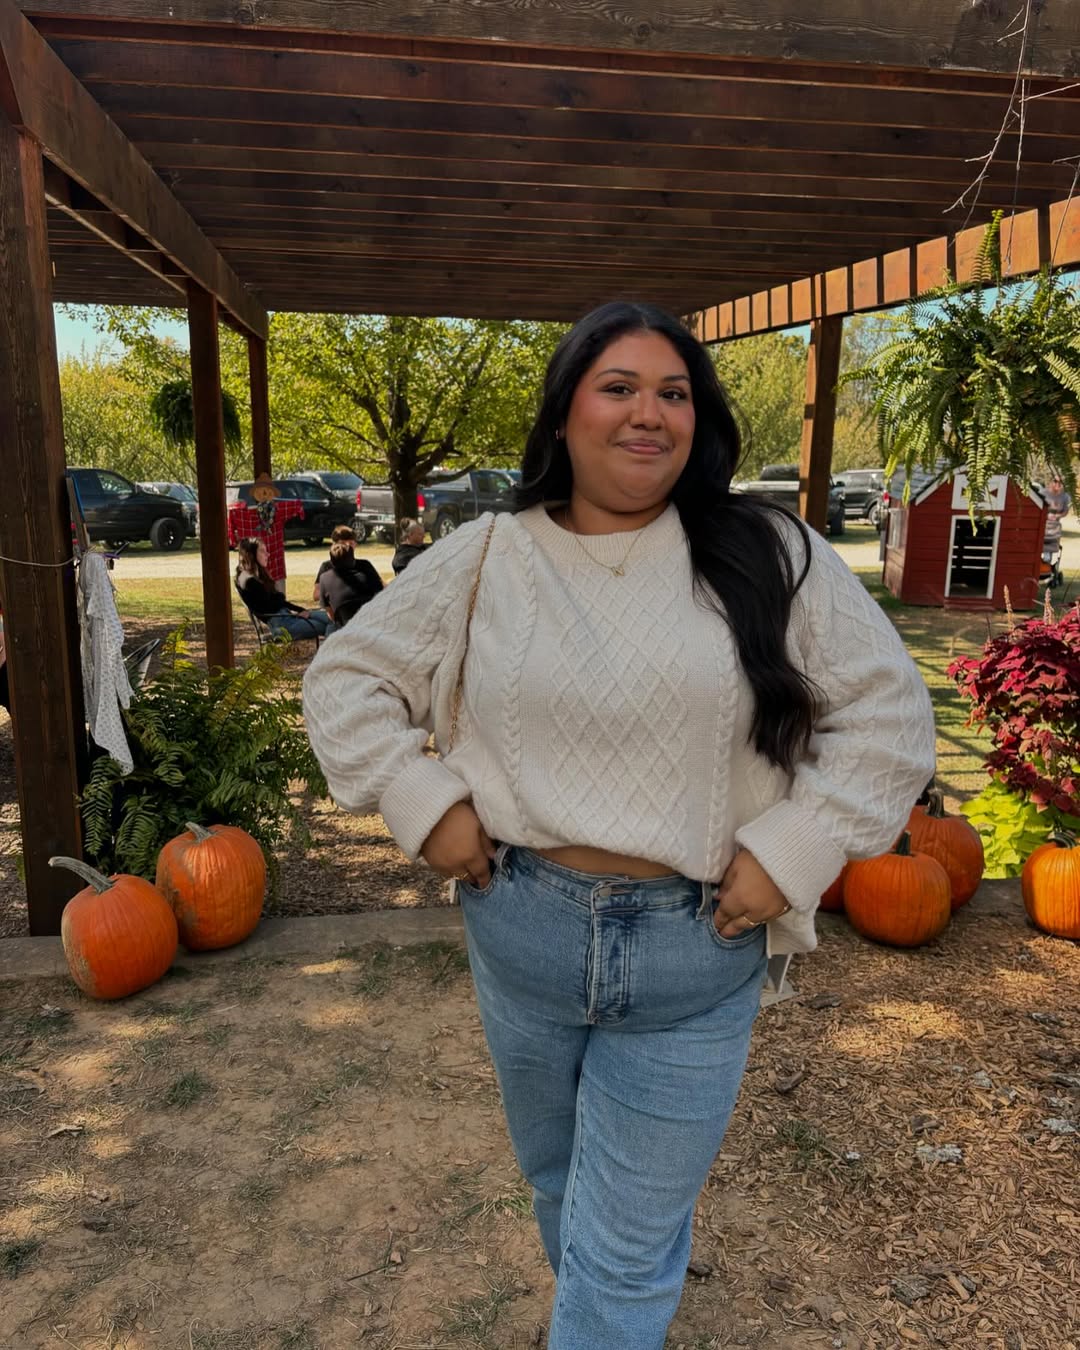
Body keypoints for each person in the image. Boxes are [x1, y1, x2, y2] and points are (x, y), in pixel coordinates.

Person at [302, 301, 935, 1348]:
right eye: (620, 387)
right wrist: (424, 803)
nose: (650, 413)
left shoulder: (770, 551)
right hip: (523, 928)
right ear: (563, 415)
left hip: (698, 945)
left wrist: (794, 852)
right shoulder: (488, 554)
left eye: (673, 393)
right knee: (560, 1185)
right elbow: (346, 678)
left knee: (628, 1247)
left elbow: (888, 718)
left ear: (698, 420)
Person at [234, 537, 332, 642]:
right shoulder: (249, 581)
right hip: (283, 626)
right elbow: (272, 605)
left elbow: (278, 601)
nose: (268, 554)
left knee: (334, 619)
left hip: (286, 617)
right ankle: (329, 650)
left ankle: (329, 647)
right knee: (330, 624)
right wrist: (280, 598)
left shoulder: (255, 575)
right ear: (251, 554)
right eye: (262, 551)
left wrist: (300, 610)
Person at [226, 474, 304, 593]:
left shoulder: (240, 514)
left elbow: (296, 505)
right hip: (261, 571)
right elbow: (298, 505)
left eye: (267, 491)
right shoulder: (240, 514)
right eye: (261, 491)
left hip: (264, 569)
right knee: (271, 599)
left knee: (271, 599)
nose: (264, 494)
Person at [312, 524, 384, 616]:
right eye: (343, 543)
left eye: (351, 544)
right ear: (334, 545)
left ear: (355, 544)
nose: (347, 547)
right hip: (337, 610)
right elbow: (316, 595)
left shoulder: (364, 565)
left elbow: (380, 585)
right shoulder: (327, 567)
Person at [318, 540, 384, 629]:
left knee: (328, 627)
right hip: (373, 623)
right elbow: (381, 595)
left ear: (332, 562)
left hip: (345, 627)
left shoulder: (325, 578)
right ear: (353, 559)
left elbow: (330, 613)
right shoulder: (366, 568)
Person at [1043, 474, 1071, 547]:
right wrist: (1046, 515)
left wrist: (1057, 516)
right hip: (1042, 525)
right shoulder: (1043, 493)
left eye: (1060, 482)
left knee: (1051, 548)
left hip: (1055, 528)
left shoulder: (1065, 496)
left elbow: (1065, 511)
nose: (1058, 483)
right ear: (1050, 481)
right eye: (1055, 481)